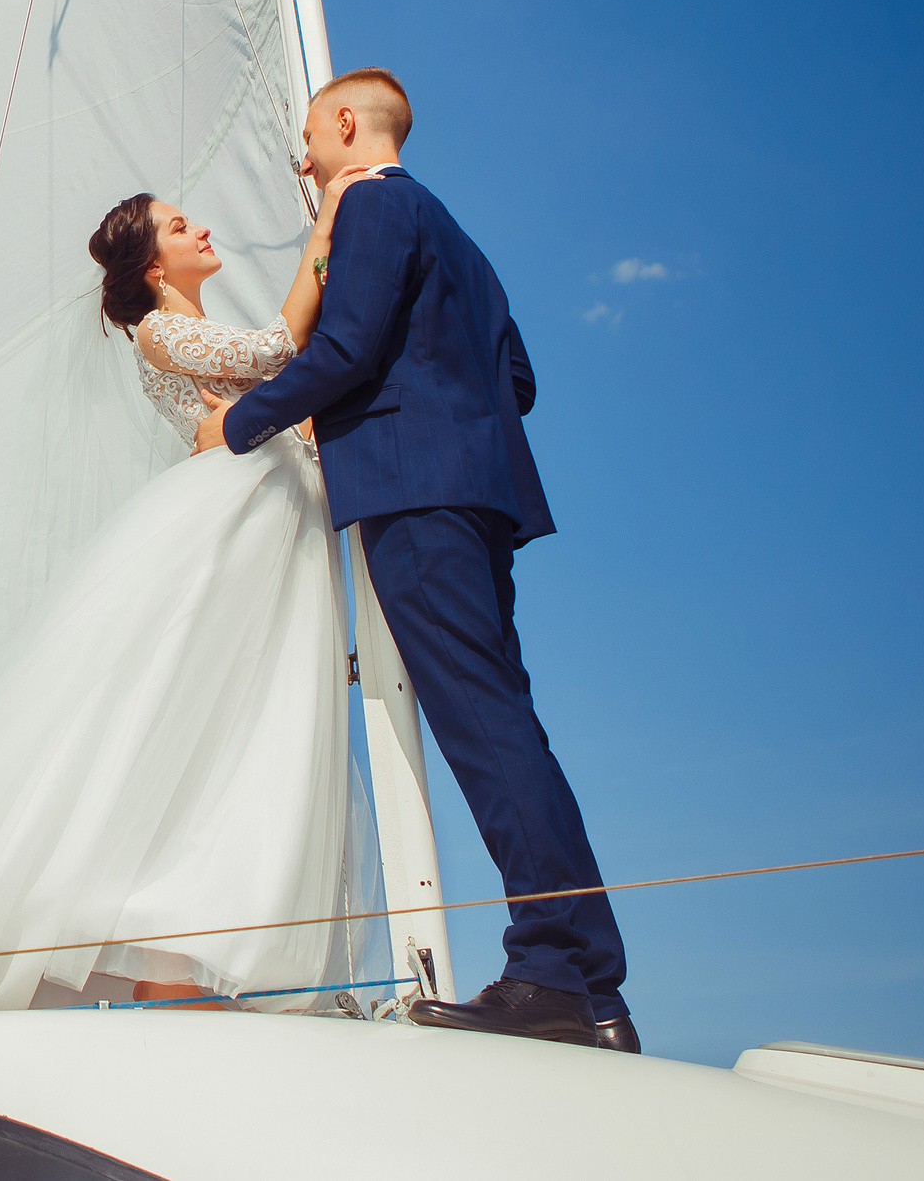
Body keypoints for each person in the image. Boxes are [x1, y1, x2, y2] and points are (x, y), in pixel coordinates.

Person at [0, 167, 377, 1013]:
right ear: (153, 266)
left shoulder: (189, 326)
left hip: (272, 528)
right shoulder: (160, 333)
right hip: (228, 522)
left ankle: (177, 967)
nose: (201, 232)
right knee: (177, 723)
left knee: (239, 731)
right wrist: (322, 237)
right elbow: (273, 352)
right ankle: (141, 957)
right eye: (181, 225)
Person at [205, 67, 636, 1051]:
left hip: (414, 491)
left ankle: (561, 975)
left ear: (345, 123)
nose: (301, 161)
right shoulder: (459, 239)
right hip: (476, 491)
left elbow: (348, 347)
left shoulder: (369, 205)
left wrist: (242, 422)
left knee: (485, 728)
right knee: (502, 723)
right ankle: (579, 978)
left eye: (305, 141)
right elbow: (515, 378)